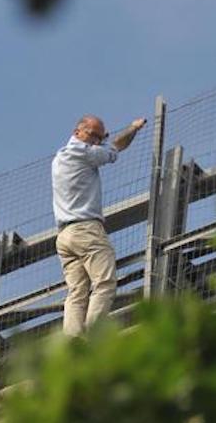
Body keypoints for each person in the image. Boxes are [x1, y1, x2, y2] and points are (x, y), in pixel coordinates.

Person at [52, 114, 147, 336]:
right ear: (77, 132)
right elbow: (114, 149)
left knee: (77, 292)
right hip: (86, 230)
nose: (96, 140)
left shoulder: (59, 157)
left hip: (64, 237)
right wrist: (133, 128)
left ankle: (73, 343)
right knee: (105, 283)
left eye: (99, 136)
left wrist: (103, 141)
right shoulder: (82, 152)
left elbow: (108, 147)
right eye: (92, 135)